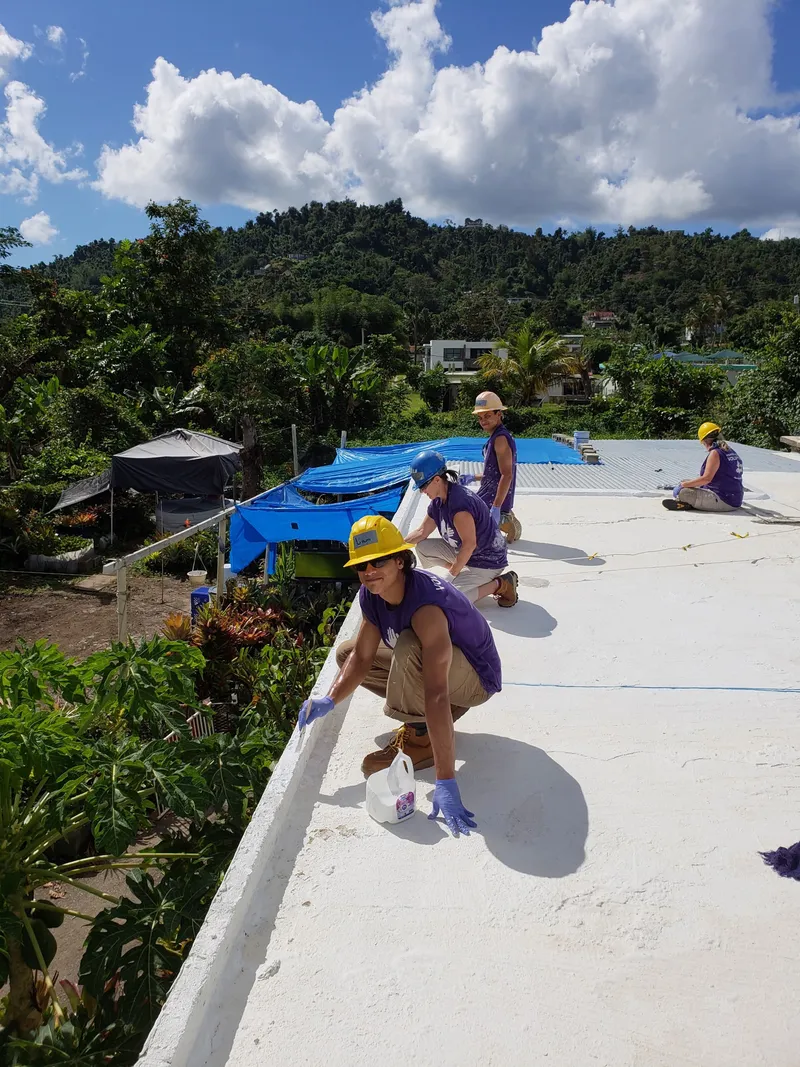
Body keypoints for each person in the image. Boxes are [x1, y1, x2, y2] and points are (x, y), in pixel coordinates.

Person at [297, 515, 503, 836]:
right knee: (346, 653)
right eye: (361, 566)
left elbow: (435, 691)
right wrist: (329, 699)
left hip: (475, 679)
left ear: (399, 561)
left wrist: (446, 779)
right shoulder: (373, 595)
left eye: (377, 561)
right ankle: (433, 721)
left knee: (409, 644)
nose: (368, 572)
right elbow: (363, 657)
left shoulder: (426, 607)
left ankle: (421, 738)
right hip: (446, 675)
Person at [405, 449, 518, 608]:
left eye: (423, 486)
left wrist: (450, 576)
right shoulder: (438, 502)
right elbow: (421, 532)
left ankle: (501, 584)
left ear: (437, 480)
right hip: (468, 554)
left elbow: (469, 544)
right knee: (423, 547)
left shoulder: (459, 506)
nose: (422, 491)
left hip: (487, 561)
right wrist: (396, 546)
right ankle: (462, 573)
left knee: (449, 600)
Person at [459, 390, 522, 543]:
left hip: (492, 496)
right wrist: (473, 477)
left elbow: (507, 475)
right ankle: (505, 518)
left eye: (487, 416)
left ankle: (503, 520)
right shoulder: (497, 436)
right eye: (480, 417)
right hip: (490, 491)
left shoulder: (500, 438)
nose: (483, 421)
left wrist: (496, 507)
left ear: (499, 414)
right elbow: (494, 472)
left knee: (462, 515)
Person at [663, 422, 744, 512]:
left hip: (724, 500)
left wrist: (683, 485)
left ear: (705, 441)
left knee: (681, 492)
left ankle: (688, 503)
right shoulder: (729, 451)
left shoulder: (715, 453)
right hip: (735, 498)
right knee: (687, 482)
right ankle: (692, 503)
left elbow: (706, 479)